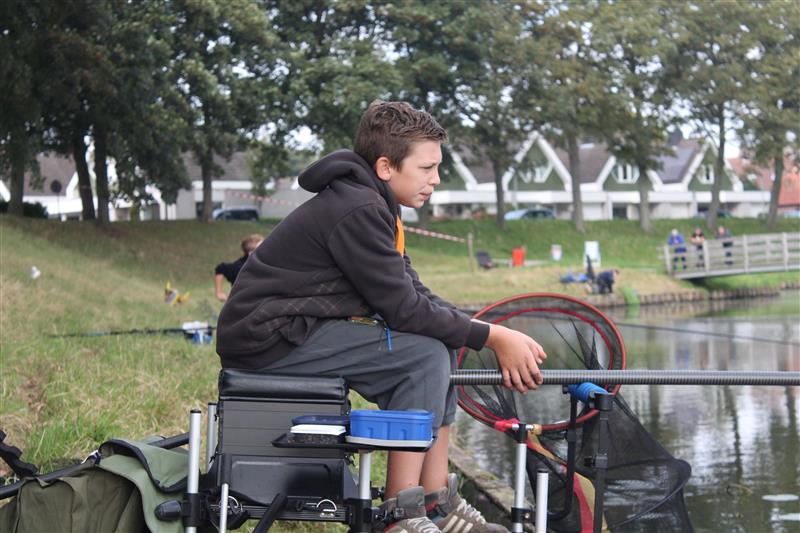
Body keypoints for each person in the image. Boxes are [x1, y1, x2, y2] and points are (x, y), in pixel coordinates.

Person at [216, 101, 547, 533]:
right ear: (386, 167)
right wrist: (492, 338)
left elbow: (412, 291)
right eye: (427, 168)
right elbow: (403, 309)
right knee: (422, 357)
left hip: (299, 329)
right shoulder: (358, 208)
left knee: (442, 345)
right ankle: (399, 514)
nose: (436, 179)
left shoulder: (377, 202)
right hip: (267, 338)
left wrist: (479, 329)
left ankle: (436, 501)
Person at [214, 234, 263, 302]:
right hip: (243, 304)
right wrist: (218, 292)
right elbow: (220, 268)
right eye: (262, 247)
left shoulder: (265, 263)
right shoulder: (240, 267)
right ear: (251, 253)